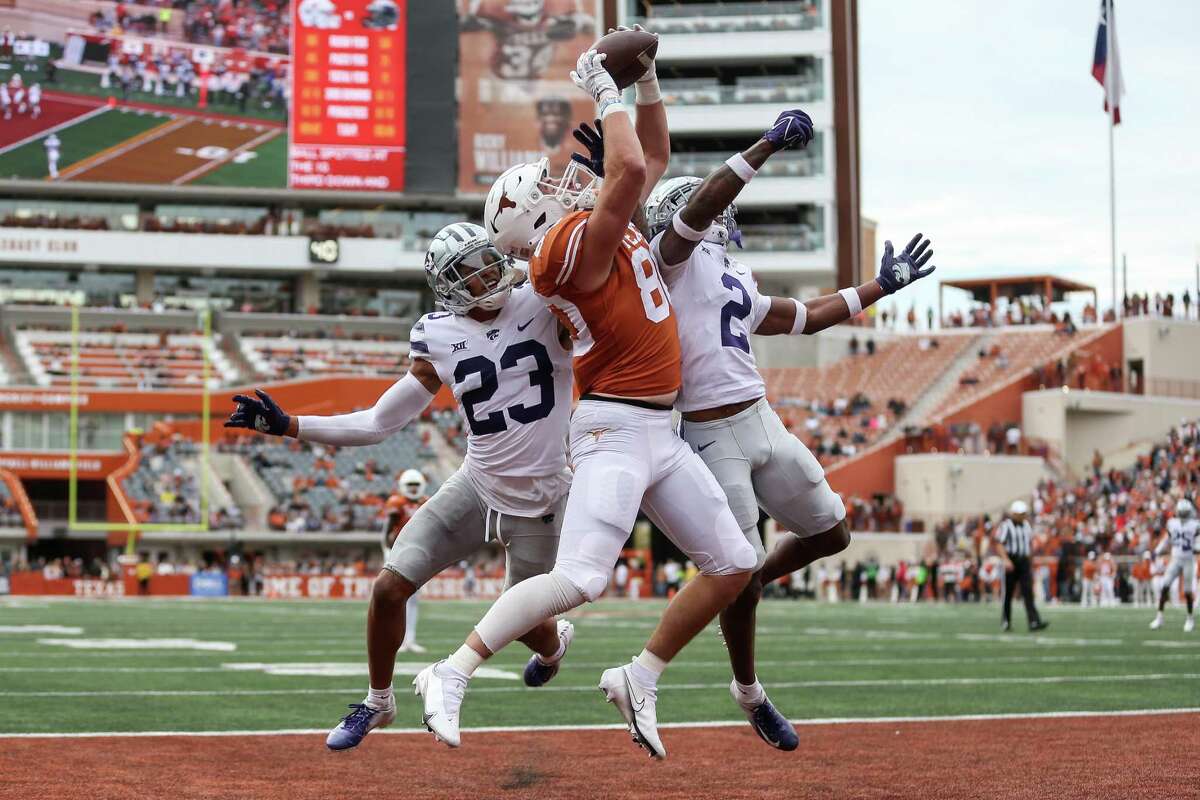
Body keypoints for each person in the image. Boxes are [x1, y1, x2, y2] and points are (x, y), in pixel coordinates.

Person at [414, 40, 757, 760]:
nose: (563, 175)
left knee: (733, 561)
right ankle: (449, 672)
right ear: (535, 212)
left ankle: (639, 676)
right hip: (615, 430)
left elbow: (652, 159)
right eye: (548, 180)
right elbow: (631, 168)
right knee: (577, 579)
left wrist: (650, 79)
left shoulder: (588, 226)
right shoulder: (564, 249)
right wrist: (604, 85)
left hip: (658, 429)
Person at [628, 109, 933, 747]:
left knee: (832, 533)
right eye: (713, 211)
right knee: (733, 569)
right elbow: (705, 202)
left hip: (760, 418)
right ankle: (749, 692)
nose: (724, 217)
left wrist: (880, 286)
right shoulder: (667, 261)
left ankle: (751, 583)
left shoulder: (731, 275)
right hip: (706, 436)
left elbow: (808, 316)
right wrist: (766, 144)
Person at [226, 221, 577, 752]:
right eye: (468, 271)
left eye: (486, 260)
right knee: (389, 587)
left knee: (527, 623)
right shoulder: (438, 334)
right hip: (477, 484)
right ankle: (378, 700)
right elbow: (377, 423)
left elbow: (598, 269)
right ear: (448, 285)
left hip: (542, 498)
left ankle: (552, 650)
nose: (484, 274)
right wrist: (290, 424)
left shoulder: (544, 296)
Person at [381, 469, 429, 653]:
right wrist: (387, 552)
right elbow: (387, 530)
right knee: (394, 598)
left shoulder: (426, 501)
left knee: (414, 600)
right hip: (399, 552)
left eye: (416, 485)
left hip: (419, 553)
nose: (413, 488)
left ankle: (409, 639)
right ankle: (396, 640)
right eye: (410, 485)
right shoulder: (397, 502)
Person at [991, 500, 1049, 632]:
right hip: (1011, 560)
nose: (1023, 516)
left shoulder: (1026, 525)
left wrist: (1030, 559)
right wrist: (1006, 560)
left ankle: (1033, 621)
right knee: (1008, 593)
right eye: (1021, 513)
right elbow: (999, 543)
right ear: (1014, 513)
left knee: (1028, 591)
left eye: (1024, 513)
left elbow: (1029, 543)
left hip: (1023, 561)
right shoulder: (1006, 525)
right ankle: (1006, 621)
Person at [1150, 499, 1197, 632]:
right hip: (1175, 559)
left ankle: (1189, 619)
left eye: (1184, 512)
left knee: (1188, 591)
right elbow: (1167, 539)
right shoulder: (1172, 523)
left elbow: (1198, 541)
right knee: (1164, 586)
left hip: (1188, 560)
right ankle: (1159, 617)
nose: (1182, 515)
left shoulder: (1194, 525)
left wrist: (1197, 547)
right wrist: (1157, 551)